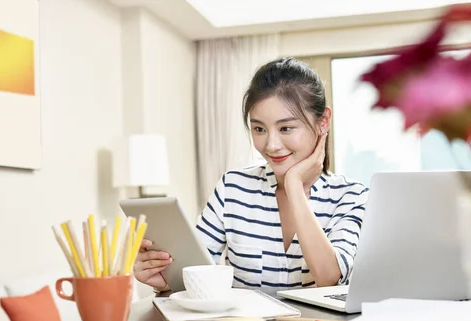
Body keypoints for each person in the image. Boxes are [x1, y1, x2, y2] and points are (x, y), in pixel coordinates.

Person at [134, 57, 369, 296]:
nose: (272, 145)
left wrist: (294, 186)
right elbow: (195, 270)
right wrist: (164, 278)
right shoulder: (232, 188)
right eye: (259, 129)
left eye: (286, 128)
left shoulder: (352, 196)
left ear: (323, 121)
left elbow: (329, 277)